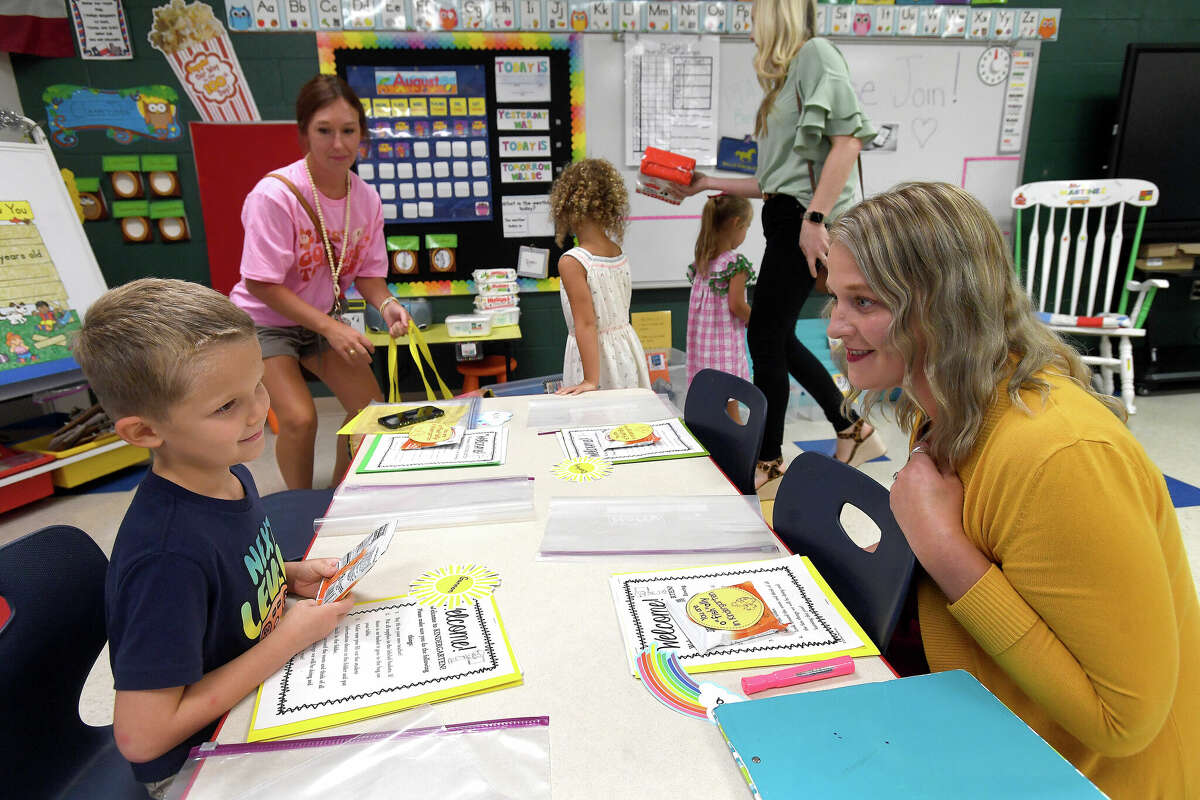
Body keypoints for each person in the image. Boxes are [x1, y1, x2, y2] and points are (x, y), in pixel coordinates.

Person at [824, 182, 1199, 798]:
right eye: (835, 296)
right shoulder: (945, 404)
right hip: (994, 730)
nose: (837, 326)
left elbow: (1123, 721)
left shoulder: (1061, 453)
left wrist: (947, 553)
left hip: (1092, 780)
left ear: (948, 305)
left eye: (863, 301)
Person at [71, 279, 355, 798]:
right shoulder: (165, 557)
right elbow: (142, 737)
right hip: (197, 765)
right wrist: (289, 638)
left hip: (254, 699)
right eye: (226, 406)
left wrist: (287, 573)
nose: (256, 413)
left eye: (259, 385)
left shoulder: (228, 472)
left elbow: (224, 578)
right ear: (144, 433)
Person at [673, 0, 884, 488]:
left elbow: (848, 141)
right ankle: (852, 426)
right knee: (777, 336)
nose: (748, 31)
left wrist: (816, 218)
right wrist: (708, 182)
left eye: (751, 18)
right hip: (785, 214)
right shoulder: (783, 84)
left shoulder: (816, 53)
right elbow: (774, 183)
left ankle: (769, 462)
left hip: (802, 219)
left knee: (764, 338)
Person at [229, 74, 411, 490]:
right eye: (324, 131)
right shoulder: (275, 196)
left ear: (362, 135)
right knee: (298, 417)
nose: (339, 144)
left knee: (370, 410)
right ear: (304, 135)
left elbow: (369, 276)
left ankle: (335, 496)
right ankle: (298, 503)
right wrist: (331, 326)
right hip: (266, 320)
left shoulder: (366, 199)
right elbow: (260, 284)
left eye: (349, 131)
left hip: (322, 318)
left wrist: (386, 304)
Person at [548, 158, 650, 394]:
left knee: (596, 423)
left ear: (567, 206)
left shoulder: (573, 261)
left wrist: (590, 380)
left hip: (596, 361)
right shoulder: (616, 251)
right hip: (625, 352)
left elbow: (586, 323)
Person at [686, 193, 755, 421]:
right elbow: (737, 305)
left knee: (711, 404)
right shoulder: (734, 264)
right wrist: (758, 319)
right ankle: (738, 454)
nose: (745, 234)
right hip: (724, 349)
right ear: (736, 224)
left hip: (702, 352)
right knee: (730, 405)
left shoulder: (702, 263)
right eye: (746, 227)